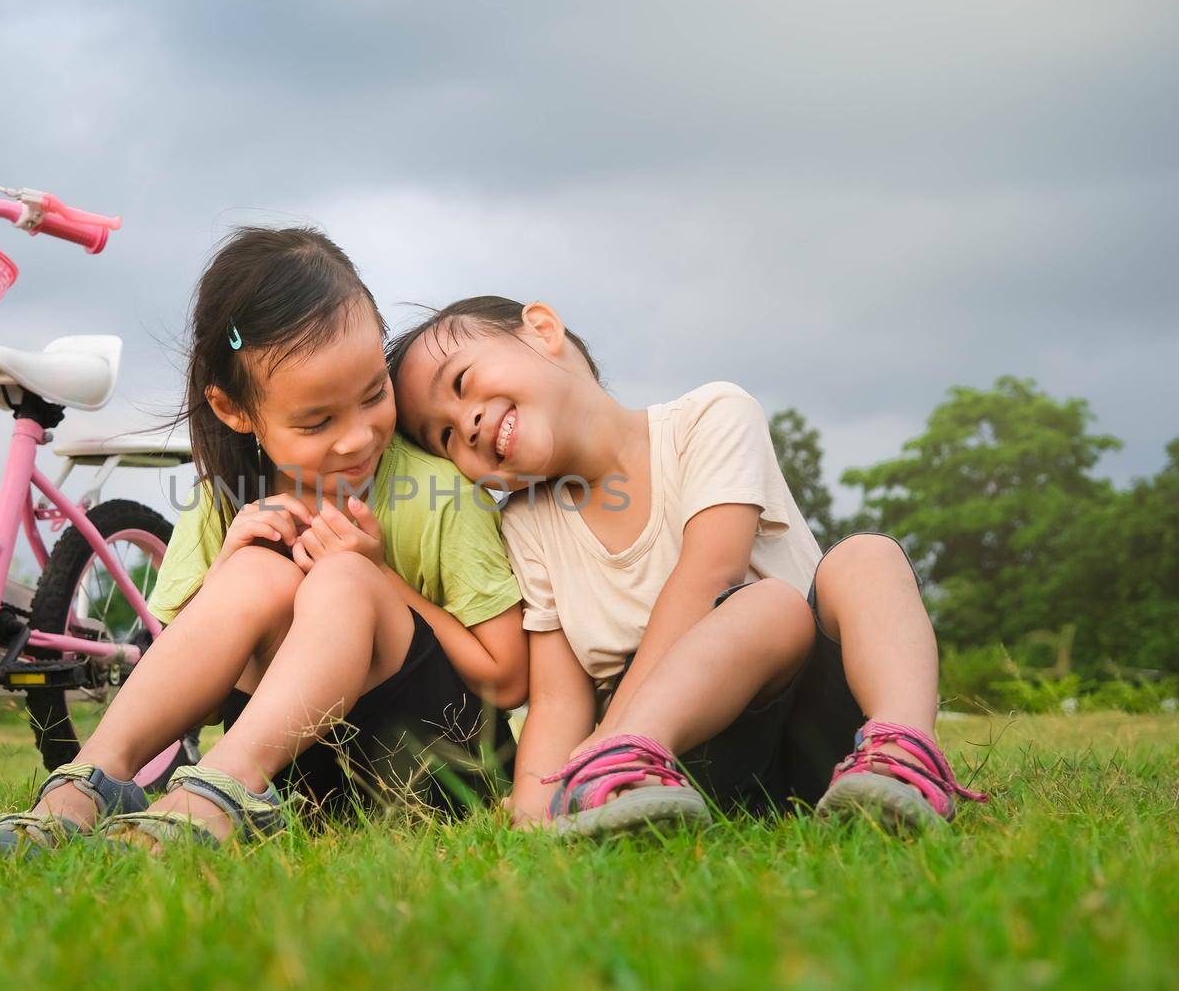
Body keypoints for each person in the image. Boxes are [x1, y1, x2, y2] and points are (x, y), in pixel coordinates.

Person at [0, 231, 526, 855]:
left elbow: (508, 682)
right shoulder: (229, 499)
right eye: (317, 421)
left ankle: (217, 794)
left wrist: (379, 579)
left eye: (375, 393)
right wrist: (228, 570)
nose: (357, 438)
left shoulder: (439, 494)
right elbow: (192, 700)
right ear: (235, 410)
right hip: (300, 790)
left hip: (438, 772)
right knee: (254, 571)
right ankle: (86, 784)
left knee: (342, 580)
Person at [387, 297, 986, 837]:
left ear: (542, 329)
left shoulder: (709, 417)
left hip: (829, 730)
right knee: (769, 607)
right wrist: (532, 812)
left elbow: (708, 576)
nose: (464, 423)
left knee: (859, 560)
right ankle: (625, 767)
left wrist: (606, 738)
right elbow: (557, 700)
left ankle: (903, 757)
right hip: (694, 760)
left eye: (462, 382)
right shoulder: (527, 522)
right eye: (443, 436)